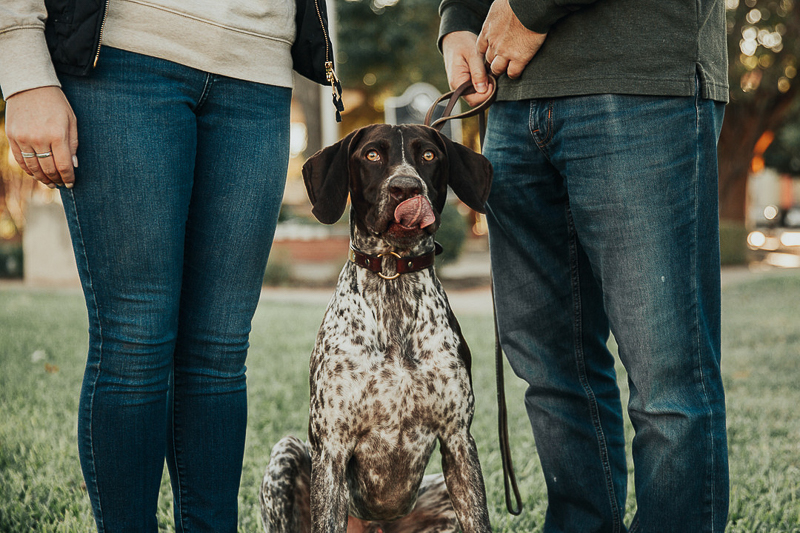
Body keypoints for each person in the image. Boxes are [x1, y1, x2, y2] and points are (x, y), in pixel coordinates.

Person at [1, 0, 298, 530]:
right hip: (123, 54)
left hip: (260, 68)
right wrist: (21, 61)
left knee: (221, 352)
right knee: (136, 340)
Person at [438, 0, 730, 531]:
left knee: (667, 381)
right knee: (550, 371)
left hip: (639, 82)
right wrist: (458, 19)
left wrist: (529, 9)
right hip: (511, 99)